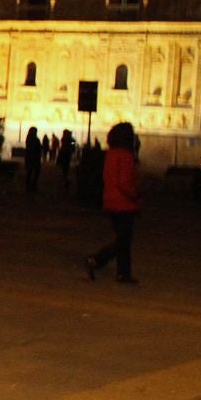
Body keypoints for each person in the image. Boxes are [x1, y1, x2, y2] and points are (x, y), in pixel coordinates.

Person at [85, 121, 140, 284]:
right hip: (124, 203)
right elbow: (125, 182)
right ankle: (97, 260)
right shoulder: (126, 155)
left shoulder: (111, 154)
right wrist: (135, 195)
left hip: (111, 201)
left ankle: (123, 273)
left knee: (123, 239)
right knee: (124, 241)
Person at [23, 126, 43, 192]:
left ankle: (30, 186)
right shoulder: (33, 139)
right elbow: (34, 148)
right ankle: (32, 186)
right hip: (33, 158)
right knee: (32, 172)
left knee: (31, 173)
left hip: (32, 158)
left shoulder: (30, 138)